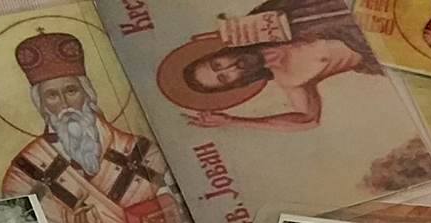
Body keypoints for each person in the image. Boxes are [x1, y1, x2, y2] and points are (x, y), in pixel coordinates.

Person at [2, 30, 175, 223]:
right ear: (41, 104)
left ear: (87, 93)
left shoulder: (143, 152)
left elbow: (176, 216)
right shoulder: (24, 174)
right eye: (52, 96)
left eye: (71, 91)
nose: (64, 104)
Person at [157, 0, 386, 132]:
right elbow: (308, 120)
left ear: (220, 53)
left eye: (218, 64)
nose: (231, 68)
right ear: (236, 84)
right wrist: (233, 121)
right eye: (224, 77)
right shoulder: (290, 78)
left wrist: (243, 26)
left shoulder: (264, 21)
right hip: (381, 43)